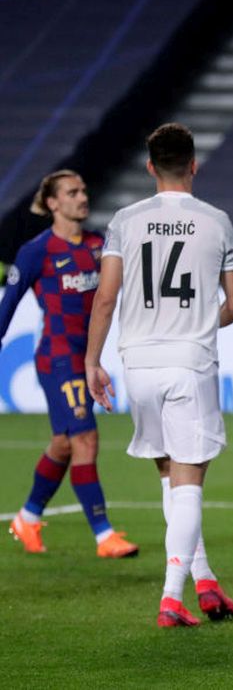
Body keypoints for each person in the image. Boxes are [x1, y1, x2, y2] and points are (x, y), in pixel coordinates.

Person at [85, 122, 233, 627]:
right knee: (190, 480)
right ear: (194, 164)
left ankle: (205, 579)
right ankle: (172, 596)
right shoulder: (216, 221)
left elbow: (106, 298)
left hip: (138, 364)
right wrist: (200, 323)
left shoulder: (124, 221)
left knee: (169, 476)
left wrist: (92, 361)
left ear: (150, 167)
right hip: (189, 361)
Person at [0, 170, 138, 558]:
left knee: (63, 443)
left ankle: (27, 518)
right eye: (72, 192)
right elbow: (7, 306)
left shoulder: (99, 245)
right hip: (57, 359)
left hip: (87, 361)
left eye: (83, 190)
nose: (82, 197)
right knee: (85, 439)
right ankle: (103, 535)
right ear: (52, 203)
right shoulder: (36, 251)